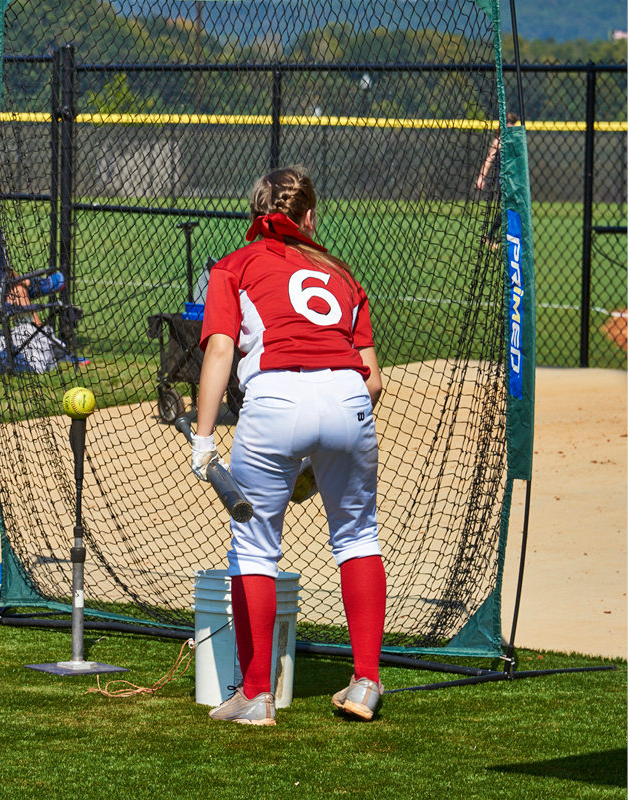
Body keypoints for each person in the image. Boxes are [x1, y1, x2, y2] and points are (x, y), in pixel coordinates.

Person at [191, 166, 386, 725]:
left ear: (256, 213)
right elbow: (373, 379)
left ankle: (255, 694)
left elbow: (221, 352)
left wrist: (203, 440)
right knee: (357, 536)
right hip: (349, 397)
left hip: (274, 398)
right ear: (308, 217)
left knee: (254, 548)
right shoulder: (341, 273)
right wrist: (321, 450)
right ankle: (366, 682)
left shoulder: (235, 264)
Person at [475, 113, 520, 250]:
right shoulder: (499, 141)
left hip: (517, 180)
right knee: (508, 207)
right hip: (505, 180)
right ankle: (491, 236)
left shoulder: (517, 140)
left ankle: (496, 236)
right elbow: (489, 159)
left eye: (511, 122)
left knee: (513, 208)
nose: (509, 124)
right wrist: (481, 177)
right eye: (507, 122)